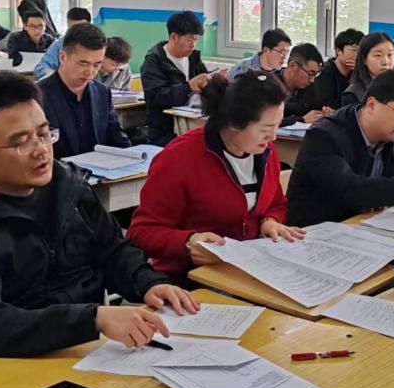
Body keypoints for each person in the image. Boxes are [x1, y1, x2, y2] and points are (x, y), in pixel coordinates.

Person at [0, 73, 199, 367]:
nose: (41, 150)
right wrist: (92, 319)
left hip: (91, 348)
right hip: (11, 365)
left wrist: (148, 283)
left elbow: (112, 250)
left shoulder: (69, 187)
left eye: (44, 134)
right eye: (21, 143)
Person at [128, 72, 301, 282]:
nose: (273, 136)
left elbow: (276, 203)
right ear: (234, 123)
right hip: (189, 277)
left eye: (278, 124)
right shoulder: (179, 158)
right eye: (266, 128)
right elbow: (141, 232)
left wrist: (270, 222)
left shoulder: (266, 151)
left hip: (247, 269)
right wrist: (188, 242)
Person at [287, 70, 394, 226]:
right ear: (372, 105)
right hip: (317, 232)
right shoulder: (324, 136)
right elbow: (351, 191)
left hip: (365, 226)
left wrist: (385, 193)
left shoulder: (391, 135)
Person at [38, 24, 130, 159]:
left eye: (97, 64)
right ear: (62, 57)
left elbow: (117, 137)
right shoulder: (38, 96)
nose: (90, 72)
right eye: (83, 63)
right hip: (59, 170)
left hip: (100, 168)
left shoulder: (102, 93)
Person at [141, 11, 218, 146]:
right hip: (165, 133)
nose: (193, 45)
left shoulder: (193, 58)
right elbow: (156, 99)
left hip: (192, 126)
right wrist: (189, 87)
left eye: (195, 39)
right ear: (174, 37)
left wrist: (215, 80)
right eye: (189, 39)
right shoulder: (154, 62)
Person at [274, 43, 327, 127]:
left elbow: (317, 108)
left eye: (315, 74)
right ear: (292, 66)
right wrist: (301, 120)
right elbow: (264, 121)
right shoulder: (268, 86)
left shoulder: (310, 86)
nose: (312, 80)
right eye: (310, 73)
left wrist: (325, 112)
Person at [310, 28, 363, 111]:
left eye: (360, 51)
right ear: (338, 50)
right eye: (354, 50)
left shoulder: (359, 72)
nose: (357, 55)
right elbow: (326, 106)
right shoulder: (324, 74)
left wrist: (359, 72)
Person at [33, 7, 94, 80]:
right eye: (73, 29)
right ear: (68, 25)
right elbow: (41, 67)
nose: (77, 33)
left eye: (81, 28)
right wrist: (58, 78)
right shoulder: (60, 44)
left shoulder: (97, 43)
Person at [340, 32, 394, 107]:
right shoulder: (353, 95)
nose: (385, 62)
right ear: (364, 59)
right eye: (378, 55)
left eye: (390, 55)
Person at [226, 28, 292, 80]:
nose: (284, 57)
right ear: (266, 50)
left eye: (287, 52)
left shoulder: (282, 74)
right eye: (281, 52)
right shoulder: (243, 70)